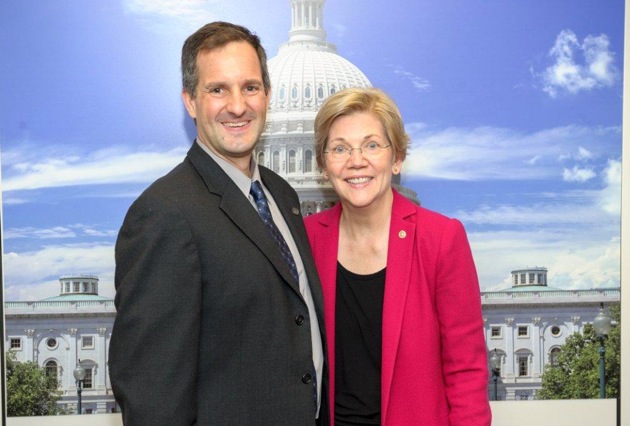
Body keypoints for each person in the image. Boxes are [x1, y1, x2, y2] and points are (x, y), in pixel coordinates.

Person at [109, 22, 327, 425]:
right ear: (190, 101)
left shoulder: (282, 196)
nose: (238, 106)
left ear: (267, 95)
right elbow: (151, 394)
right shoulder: (163, 214)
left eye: (249, 87)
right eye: (217, 89)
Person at [304, 87, 491, 426]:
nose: (356, 160)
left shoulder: (440, 239)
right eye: (340, 148)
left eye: (372, 145)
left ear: (398, 158)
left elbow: (466, 371)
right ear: (323, 164)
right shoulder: (305, 239)